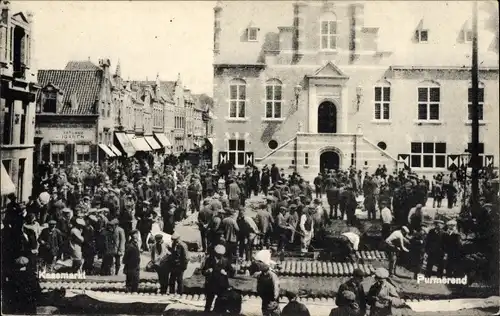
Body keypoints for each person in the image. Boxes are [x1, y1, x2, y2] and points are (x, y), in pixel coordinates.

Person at [201, 244, 235, 312]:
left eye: (221, 254)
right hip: (211, 284)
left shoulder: (225, 261)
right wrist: (207, 271)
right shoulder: (209, 260)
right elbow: (203, 271)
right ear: (215, 253)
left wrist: (225, 273)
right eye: (218, 254)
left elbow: (232, 272)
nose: (220, 256)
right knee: (209, 301)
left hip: (221, 285)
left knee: (222, 302)